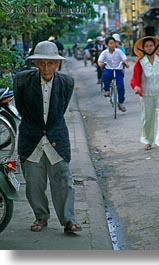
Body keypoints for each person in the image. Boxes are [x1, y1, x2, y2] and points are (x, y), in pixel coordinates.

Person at [14, 41, 82, 233]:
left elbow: (60, 110)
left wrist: (50, 128)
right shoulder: (22, 80)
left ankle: (69, 219)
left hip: (56, 137)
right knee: (34, 183)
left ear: (57, 64)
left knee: (63, 179)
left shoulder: (66, 82)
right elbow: (21, 108)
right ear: (35, 63)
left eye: (50, 63)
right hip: (31, 137)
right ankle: (41, 217)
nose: (46, 67)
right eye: (41, 63)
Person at [130, 36, 159, 153]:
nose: (149, 48)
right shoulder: (140, 62)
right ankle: (147, 140)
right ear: (143, 48)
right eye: (147, 46)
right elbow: (135, 77)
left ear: (155, 46)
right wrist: (136, 86)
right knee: (147, 118)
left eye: (151, 45)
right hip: (147, 93)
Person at [98, 36, 129, 112]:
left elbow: (124, 58)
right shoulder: (104, 52)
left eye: (113, 43)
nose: (112, 45)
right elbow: (100, 61)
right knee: (105, 76)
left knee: (121, 87)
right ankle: (107, 91)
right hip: (109, 69)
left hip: (118, 70)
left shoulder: (119, 51)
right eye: (110, 43)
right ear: (107, 44)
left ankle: (120, 103)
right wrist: (101, 64)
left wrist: (126, 63)